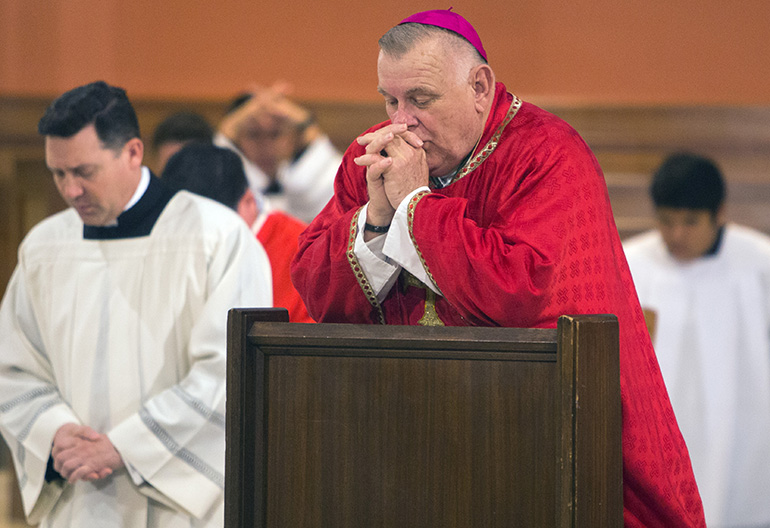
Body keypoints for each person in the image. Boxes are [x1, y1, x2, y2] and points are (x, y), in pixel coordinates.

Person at [291, 9, 706, 527]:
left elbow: (520, 288)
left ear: (480, 86)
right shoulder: (376, 155)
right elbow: (314, 285)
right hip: (402, 439)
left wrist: (416, 204)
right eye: (390, 101)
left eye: (421, 100)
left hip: (540, 436)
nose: (401, 122)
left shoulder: (548, 154)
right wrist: (375, 218)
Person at [0, 81, 272, 527]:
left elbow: (227, 372)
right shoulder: (44, 247)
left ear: (131, 152)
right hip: (78, 498)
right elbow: (14, 369)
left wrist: (125, 445)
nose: (70, 191)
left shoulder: (216, 237)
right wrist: (57, 434)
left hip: (179, 508)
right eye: (58, 173)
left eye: (84, 171)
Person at [623, 153, 770, 528]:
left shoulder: (759, 264)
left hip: (742, 427)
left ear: (718, 213)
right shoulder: (630, 264)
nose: (677, 236)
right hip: (657, 436)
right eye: (667, 221)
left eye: (691, 222)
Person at [162, 142, 314, 323]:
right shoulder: (168, 241)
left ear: (248, 202)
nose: (202, 242)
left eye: (210, 230)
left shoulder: (306, 254)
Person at [214, 83, 340, 223]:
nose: (265, 145)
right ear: (237, 140)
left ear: (293, 139)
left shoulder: (307, 183)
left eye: (275, 134)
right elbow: (221, 145)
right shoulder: (223, 183)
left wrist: (301, 118)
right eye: (253, 134)